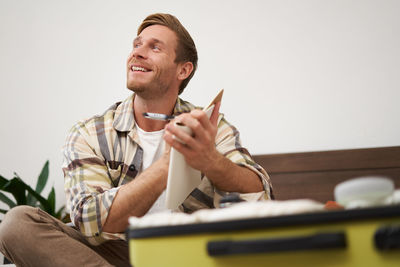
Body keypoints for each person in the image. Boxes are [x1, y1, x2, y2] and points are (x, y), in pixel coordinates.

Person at [0, 13, 272, 266]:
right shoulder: (89, 133)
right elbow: (90, 223)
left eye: (155, 47)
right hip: (118, 254)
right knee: (16, 224)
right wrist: (168, 164)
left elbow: (260, 197)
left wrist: (210, 160)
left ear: (183, 70)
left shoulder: (211, 127)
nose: (137, 52)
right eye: (137, 44)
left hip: (190, 255)